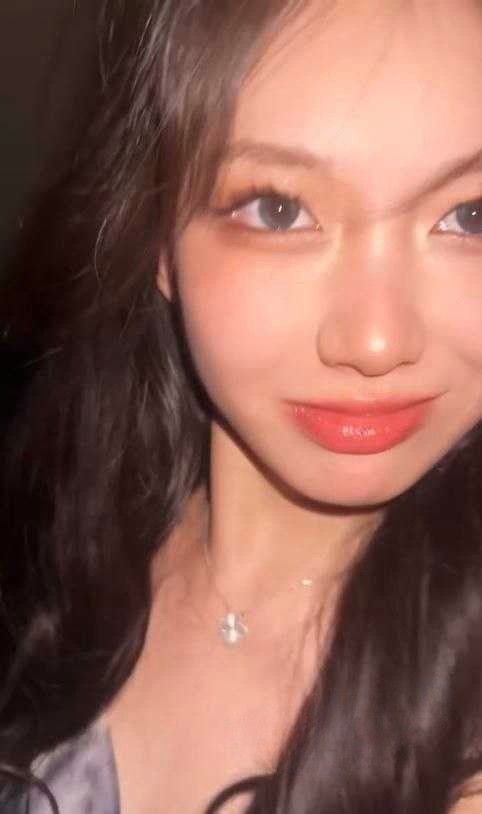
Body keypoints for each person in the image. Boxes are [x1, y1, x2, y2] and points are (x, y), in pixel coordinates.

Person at [1, 0, 482, 811]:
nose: (375, 342)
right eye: (279, 209)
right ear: (158, 241)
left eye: (470, 216)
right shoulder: (45, 534)